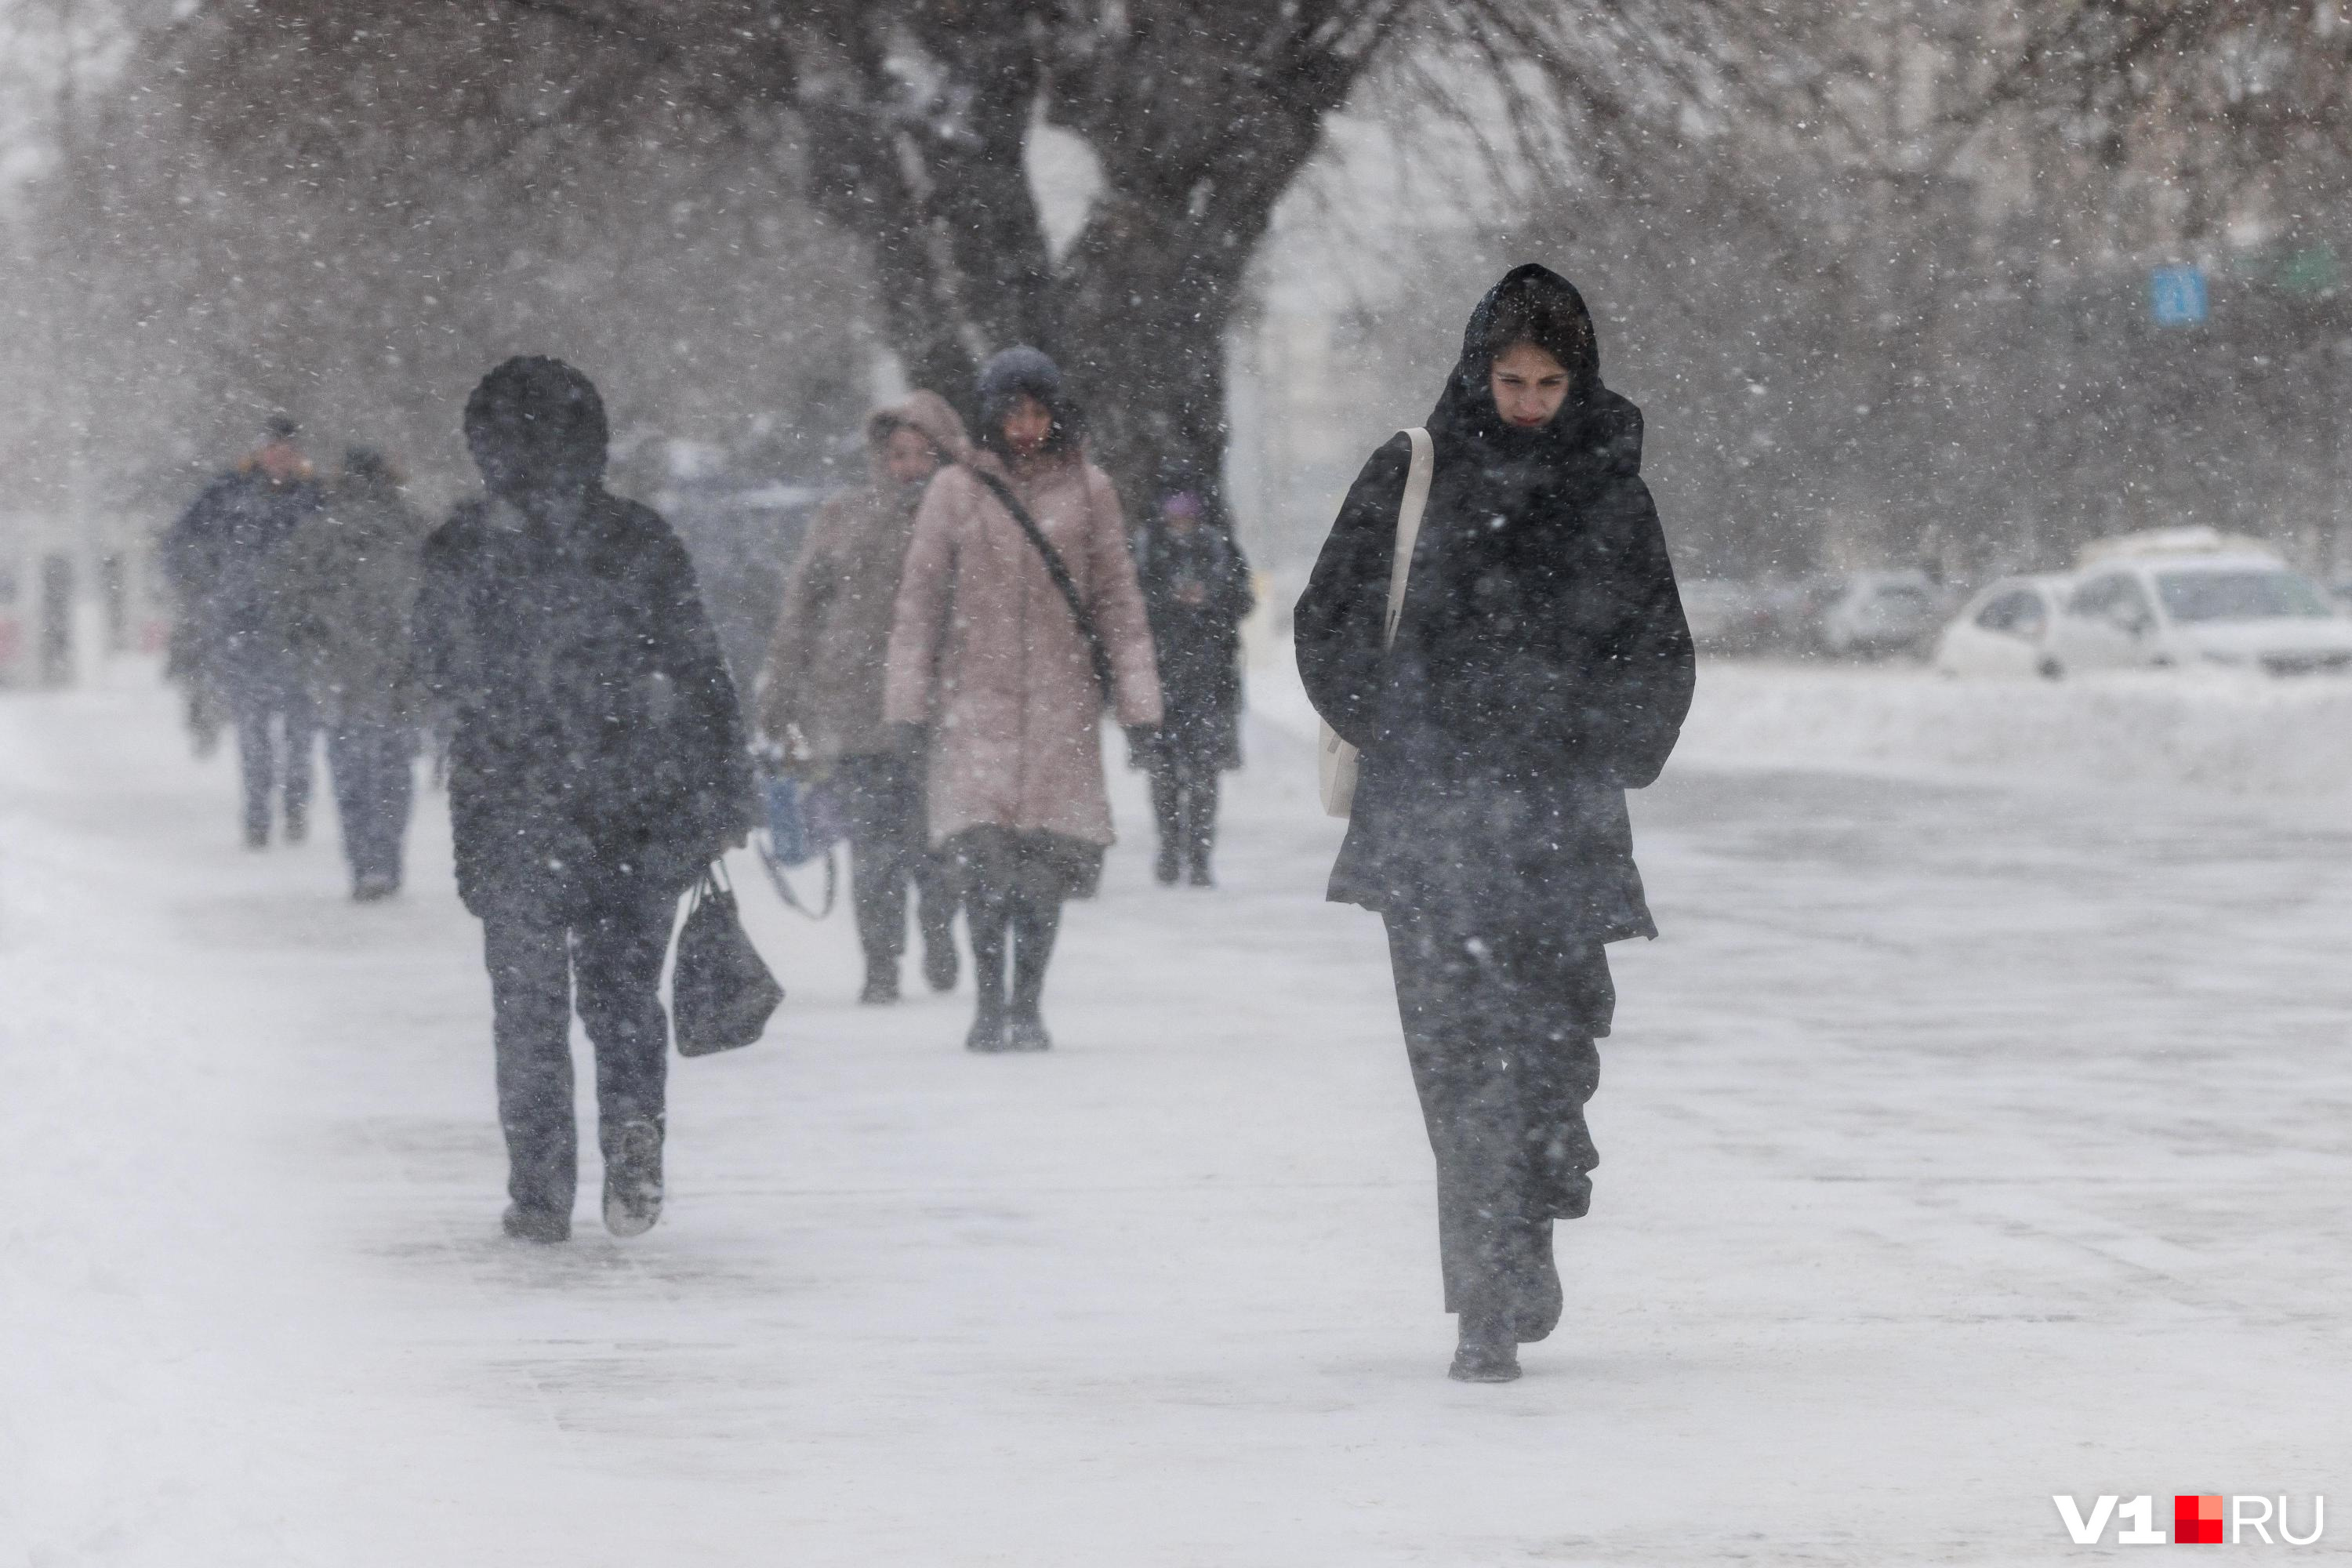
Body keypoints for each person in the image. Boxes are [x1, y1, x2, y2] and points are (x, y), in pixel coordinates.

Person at [1294, 265, 1695, 1382]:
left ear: (1579, 379)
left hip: (1562, 820)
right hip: (1430, 825)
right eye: (1510, 379)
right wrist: (1400, 730)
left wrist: (1618, 742)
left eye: (1548, 381)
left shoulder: (1612, 490)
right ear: (1478, 370)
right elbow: (1326, 618)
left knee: (1556, 1050)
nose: (1527, 401)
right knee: (1458, 1065)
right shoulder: (1412, 472)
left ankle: (1533, 1204)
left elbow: (1658, 642)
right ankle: (1487, 1296)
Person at [411, 358, 752, 1244]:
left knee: (526, 1004)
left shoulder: (461, 546)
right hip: (631, 802)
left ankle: (539, 1187)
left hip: (512, 801)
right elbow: (701, 669)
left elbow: (429, 669)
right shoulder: (639, 538)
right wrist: (723, 785)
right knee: (623, 992)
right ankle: (635, 1129)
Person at [882, 347, 1162, 1053]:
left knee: (1041, 866)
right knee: (982, 861)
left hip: (1060, 708)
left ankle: (1028, 1003)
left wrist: (1140, 708)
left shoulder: (1092, 490)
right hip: (972, 703)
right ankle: (988, 1000)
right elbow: (919, 606)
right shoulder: (954, 492)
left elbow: (1118, 603)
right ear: (991, 417)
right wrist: (907, 708)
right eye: (1014, 413)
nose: (1027, 427)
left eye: (1038, 412)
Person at [758, 392, 968, 1004]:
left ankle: (939, 931)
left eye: (922, 454)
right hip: (856, 708)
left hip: (939, 711)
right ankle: (880, 963)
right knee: (873, 848)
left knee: (936, 844)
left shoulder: (965, 519)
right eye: (897, 454)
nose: (909, 466)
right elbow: (802, 610)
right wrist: (782, 697)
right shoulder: (842, 517)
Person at [162, 414, 325, 847]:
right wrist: (209, 589)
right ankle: (257, 815)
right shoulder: (226, 494)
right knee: (253, 731)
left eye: (287, 450)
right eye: (273, 448)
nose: (280, 458)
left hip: (300, 635)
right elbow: (181, 545)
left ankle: (294, 809)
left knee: (299, 731)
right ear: (259, 451)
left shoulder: (315, 499)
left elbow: (337, 563)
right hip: (244, 631)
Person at [285, 448, 432, 901]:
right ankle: (386, 860)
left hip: (342, 675)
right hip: (399, 674)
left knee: (353, 774)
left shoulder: (319, 533)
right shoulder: (414, 528)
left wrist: (310, 654)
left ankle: (364, 862)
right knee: (393, 771)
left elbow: (293, 604)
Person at [1134, 481, 1254, 887]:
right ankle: (1169, 849)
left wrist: (1211, 600)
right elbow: (1130, 602)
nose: (1181, 519)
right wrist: (1169, 602)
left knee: (1204, 774)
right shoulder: (1147, 548)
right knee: (1163, 773)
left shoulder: (1219, 548)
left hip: (1210, 679)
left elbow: (1243, 599)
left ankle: (1200, 855)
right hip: (1162, 677)